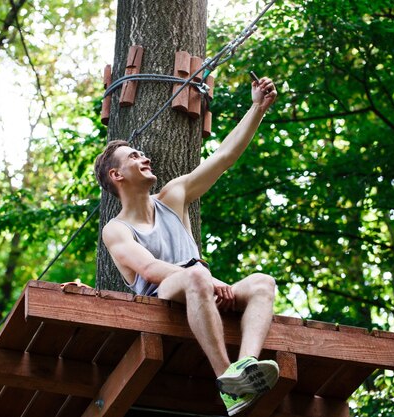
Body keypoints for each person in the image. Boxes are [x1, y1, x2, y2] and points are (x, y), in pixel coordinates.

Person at [94, 75, 279, 416]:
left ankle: (246, 366)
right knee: (194, 275)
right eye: (134, 157)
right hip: (162, 300)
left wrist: (257, 108)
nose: (144, 158)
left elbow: (224, 157)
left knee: (261, 283)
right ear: (117, 176)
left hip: (201, 291)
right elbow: (150, 270)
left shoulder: (174, 196)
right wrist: (206, 279)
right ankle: (227, 379)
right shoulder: (116, 230)